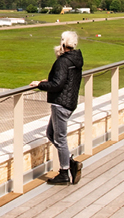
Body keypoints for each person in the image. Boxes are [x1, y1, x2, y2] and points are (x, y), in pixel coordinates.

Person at [31, 30, 84, 185]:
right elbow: (64, 79)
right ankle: (70, 162)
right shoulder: (76, 59)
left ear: (62, 42)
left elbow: (57, 84)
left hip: (61, 103)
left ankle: (64, 173)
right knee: (51, 133)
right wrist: (50, 80)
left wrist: (40, 85)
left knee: (59, 138)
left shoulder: (63, 61)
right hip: (70, 101)